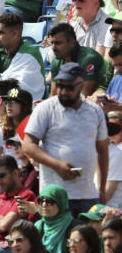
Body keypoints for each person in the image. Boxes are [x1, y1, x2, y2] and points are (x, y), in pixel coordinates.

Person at [23, 63, 110, 215]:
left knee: (88, 238)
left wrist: (102, 189)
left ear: (81, 85)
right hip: (54, 196)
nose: (63, 91)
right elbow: (28, 145)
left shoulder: (94, 110)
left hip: (88, 195)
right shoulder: (45, 108)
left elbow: (102, 151)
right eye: (60, 85)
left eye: (69, 87)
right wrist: (57, 165)